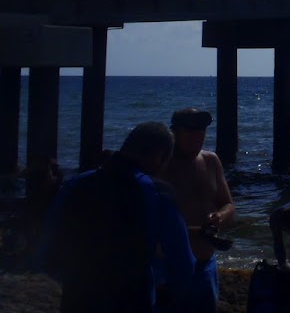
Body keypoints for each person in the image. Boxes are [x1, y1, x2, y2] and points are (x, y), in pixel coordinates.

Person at [37, 122, 195, 312]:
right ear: (160, 157)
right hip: (133, 300)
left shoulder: (76, 183)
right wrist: (170, 297)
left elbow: (47, 243)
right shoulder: (158, 192)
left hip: (78, 297)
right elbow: (183, 262)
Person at [159, 108, 236, 313]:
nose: (197, 138)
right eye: (190, 132)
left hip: (206, 265)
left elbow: (228, 205)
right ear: (174, 132)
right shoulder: (160, 166)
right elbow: (148, 221)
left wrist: (219, 217)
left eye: (201, 132)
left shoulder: (211, 160)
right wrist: (196, 231)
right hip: (169, 269)